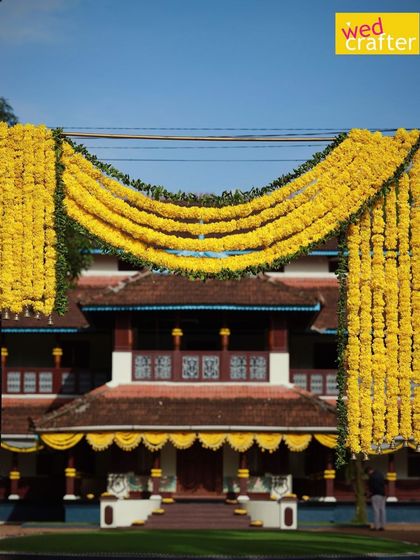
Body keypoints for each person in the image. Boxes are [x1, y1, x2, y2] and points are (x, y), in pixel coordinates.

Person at [365, 466, 386, 530]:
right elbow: (384, 484)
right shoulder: (380, 475)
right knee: (382, 510)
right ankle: (382, 526)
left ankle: (376, 526)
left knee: (376, 510)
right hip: (382, 494)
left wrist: (369, 494)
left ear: (369, 471)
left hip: (375, 495)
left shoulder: (372, 477)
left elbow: (371, 486)